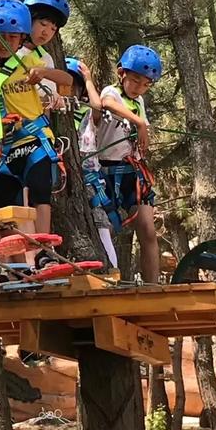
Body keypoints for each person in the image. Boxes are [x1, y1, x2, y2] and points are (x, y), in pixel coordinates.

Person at [0, 0, 73, 249]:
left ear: (22, 38)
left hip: (34, 139)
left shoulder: (30, 62)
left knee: (39, 191)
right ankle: (12, 263)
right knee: (2, 205)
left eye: (13, 37)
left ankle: (45, 250)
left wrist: (43, 73)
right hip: (5, 147)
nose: (5, 43)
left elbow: (65, 79)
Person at [96, 44, 162, 283]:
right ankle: (109, 279)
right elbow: (106, 104)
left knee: (148, 231)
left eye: (145, 84)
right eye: (135, 80)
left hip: (132, 172)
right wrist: (140, 123)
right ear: (121, 73)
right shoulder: (111, 92)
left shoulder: (139, 101)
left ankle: (153, 287)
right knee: (106, 228)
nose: (139, 88)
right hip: (107, 170)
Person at [64, 57, 119, 271]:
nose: (68, 91)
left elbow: (97, 105)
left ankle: (114, 269)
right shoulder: (49, 115)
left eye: (72, 86)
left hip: (89, 180)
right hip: (62, 180)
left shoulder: (87, 115)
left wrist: (87, 79)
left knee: (100, 225)